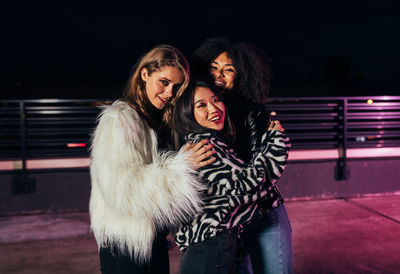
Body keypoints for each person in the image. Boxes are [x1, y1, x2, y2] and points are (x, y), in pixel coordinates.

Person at [89, 45, 217, 274]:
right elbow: (122, 188)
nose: (169, 93)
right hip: (126, 244)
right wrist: (182, 167)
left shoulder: (157, 119)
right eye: (164, 82)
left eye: (177, 87)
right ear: (145, 74)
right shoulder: (119, 120)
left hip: (153, 241)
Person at [191, 37, 293, 274]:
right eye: (214, 67)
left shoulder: (252, 113)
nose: (219, 74)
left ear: (241, 75)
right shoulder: (195, 115)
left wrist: (276, 143)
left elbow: (262, 175)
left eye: (228, 69)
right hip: (228, 222)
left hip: (261, 214)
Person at [172, 81, 290, 274]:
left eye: (216, 100)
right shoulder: (204, 146)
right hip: (209, 248)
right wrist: (277, 141)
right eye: (201, 105)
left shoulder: (207, 140)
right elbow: (250, 186)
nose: (214, 108)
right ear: (187, 114)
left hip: (211, 246)